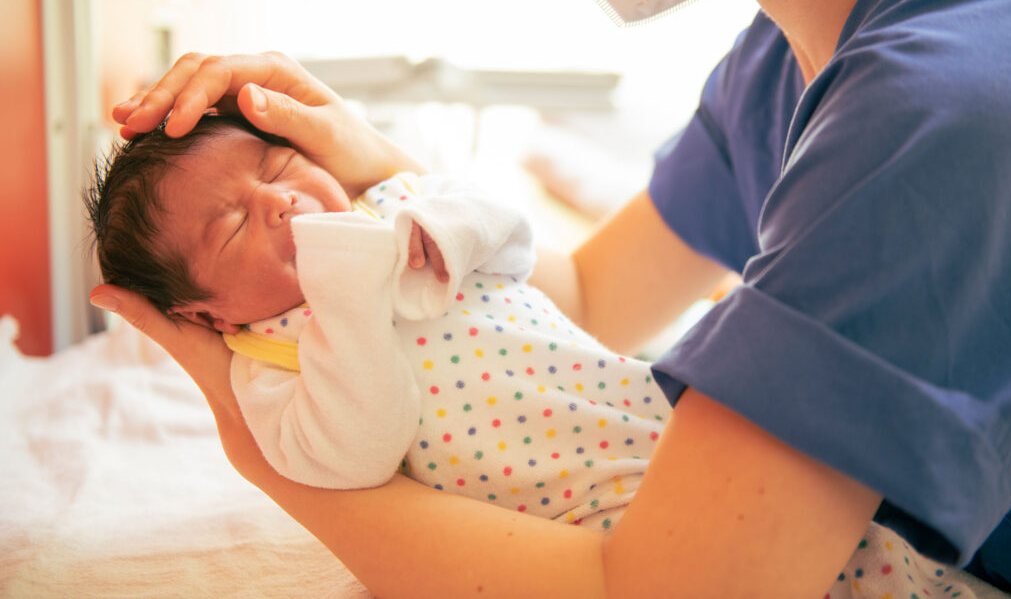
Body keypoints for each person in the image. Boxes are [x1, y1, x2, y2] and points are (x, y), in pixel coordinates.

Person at [90, 0, 1011, 595]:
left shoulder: (932, 105)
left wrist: (272, 456)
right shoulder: (786, 61)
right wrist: (381, 171)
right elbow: (588, 301)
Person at [87, 114, 673, 527]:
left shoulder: (399, 202)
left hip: (641, 406)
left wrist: (449, 232)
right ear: (207, 314)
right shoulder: (264, 366)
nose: (278, 199)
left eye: (277, 165)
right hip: (570, 507)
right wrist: (346, 296)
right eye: (232, 225)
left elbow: (515, 243)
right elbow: (355, 458)